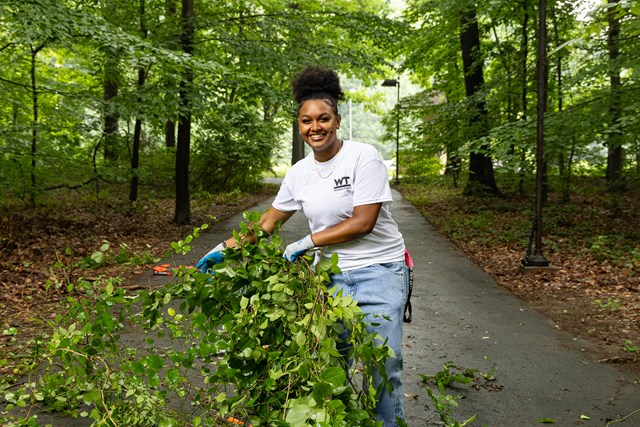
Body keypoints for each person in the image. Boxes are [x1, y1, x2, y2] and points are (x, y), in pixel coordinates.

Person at [196, 65, 407, 426]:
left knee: (382, 367)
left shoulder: (363, 157)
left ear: (337, 120)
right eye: (307, 121)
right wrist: (225, 247)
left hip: (380, 273)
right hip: (332, 280)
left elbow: (363, 222)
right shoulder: (299, 173)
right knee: (330, 366)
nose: (315, 127)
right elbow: (266, 224)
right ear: (299, 125)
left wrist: (307, 241)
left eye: (323, 118)